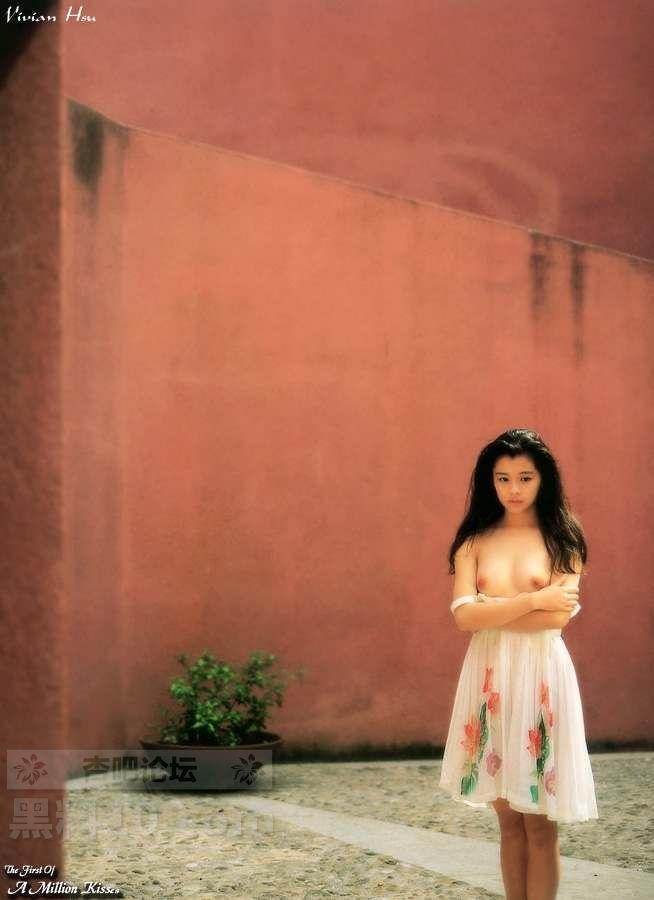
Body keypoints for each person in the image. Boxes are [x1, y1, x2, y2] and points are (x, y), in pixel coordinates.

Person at [438, 428, 598, 900]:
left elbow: (556, 618)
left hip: (542, 677)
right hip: (490, 679)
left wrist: (493, 607)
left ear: (543, 479)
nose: (513, 489)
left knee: (541, 823)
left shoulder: (563, 539)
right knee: (508, 821)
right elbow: (464, 617)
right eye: (503, 478)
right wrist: (534, 598)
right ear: (489, 481)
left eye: (525, 478)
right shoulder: (473, 541)